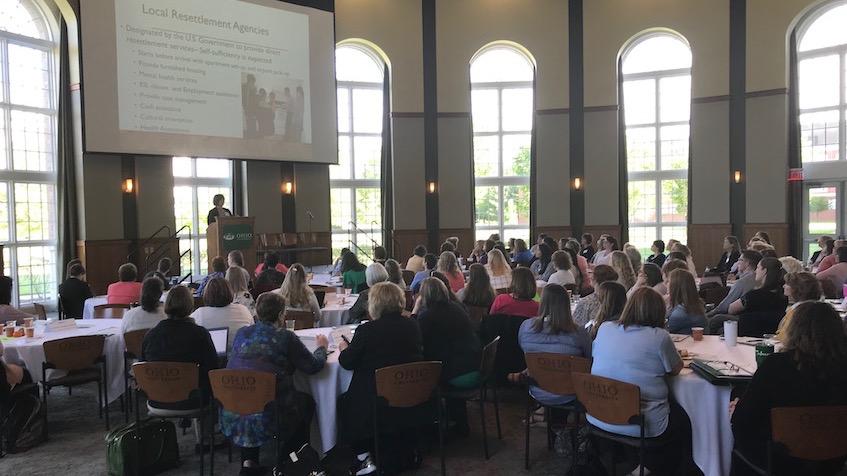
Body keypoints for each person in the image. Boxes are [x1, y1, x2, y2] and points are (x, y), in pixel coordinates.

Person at [731, 302, 847, 475]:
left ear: (793, 330)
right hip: (834, 462)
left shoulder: (775, 366)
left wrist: (737, 410)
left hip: (780, 461)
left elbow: (743, 424)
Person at [222, 293, 328, 475]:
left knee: (252, 398)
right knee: (306, 403)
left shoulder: (242, 333)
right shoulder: (285, 337)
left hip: (234, 409)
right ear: (281, 315)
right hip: (271, 414)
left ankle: (249, 462)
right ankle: (290, 458)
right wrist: (322, 348)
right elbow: (313, 366)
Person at [590, 288, 691, 474]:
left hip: (600, 414)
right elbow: (675, 370)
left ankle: (637, 462)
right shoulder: (659, 337)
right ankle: (656, 467)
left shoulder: (605, 328)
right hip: (641, 423)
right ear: (659, 312)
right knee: (685, 418)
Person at [338, 283, 423, 476]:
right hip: (411, 392)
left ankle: (363, 456)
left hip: (377, 401)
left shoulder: (367, 331)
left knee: (345, 401)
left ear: (374, 304)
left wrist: (344, 348)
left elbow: (347, 362)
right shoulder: (413, 325)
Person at [416, 278, 481, 435]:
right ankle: (454, 419)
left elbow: (415, 340)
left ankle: (431, 425)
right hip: (477, 367)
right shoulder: (457, 308)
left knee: (421, 377)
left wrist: (414, 311)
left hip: (457, 374)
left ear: (424, 296)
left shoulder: (427, 316)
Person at [141, 286, 219, 411]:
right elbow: (212, 369)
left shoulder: (151, 335)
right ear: (190, 306)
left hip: (156, 399)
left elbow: (144, 366)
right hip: (192, 400)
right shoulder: (200, 334)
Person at [517, 284, 591, 406]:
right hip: (570, 392)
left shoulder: (526, 327)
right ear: (566, 305)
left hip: (538, 389)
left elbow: (523, 349)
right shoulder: (578, 333)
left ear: (542, 302)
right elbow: (589, 359)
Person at [191, 277, 254, 347]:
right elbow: (253, 333)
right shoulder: (243, 310)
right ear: (230, 291)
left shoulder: (199, 314)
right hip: (239, 355)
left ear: (207, 294)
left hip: (209, 355)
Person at [707, 250, 762, 317]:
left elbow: (724, 307)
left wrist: (708, 315)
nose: (737, 262)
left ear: (747, 263)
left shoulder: (742, 282)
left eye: (740, 260)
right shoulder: (762, 279)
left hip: (738, 317)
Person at [774, 272, 821, 341]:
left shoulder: (796, 311)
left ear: (797, 288)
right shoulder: (816, 308)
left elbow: (784, 336)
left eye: (787, 284)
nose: (783, 286)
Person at [666, 269, 707, 335]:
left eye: (668, 282)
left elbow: (664, 330)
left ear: (675, 286)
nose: (666, 284)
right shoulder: (695, 305)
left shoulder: (680, 313)